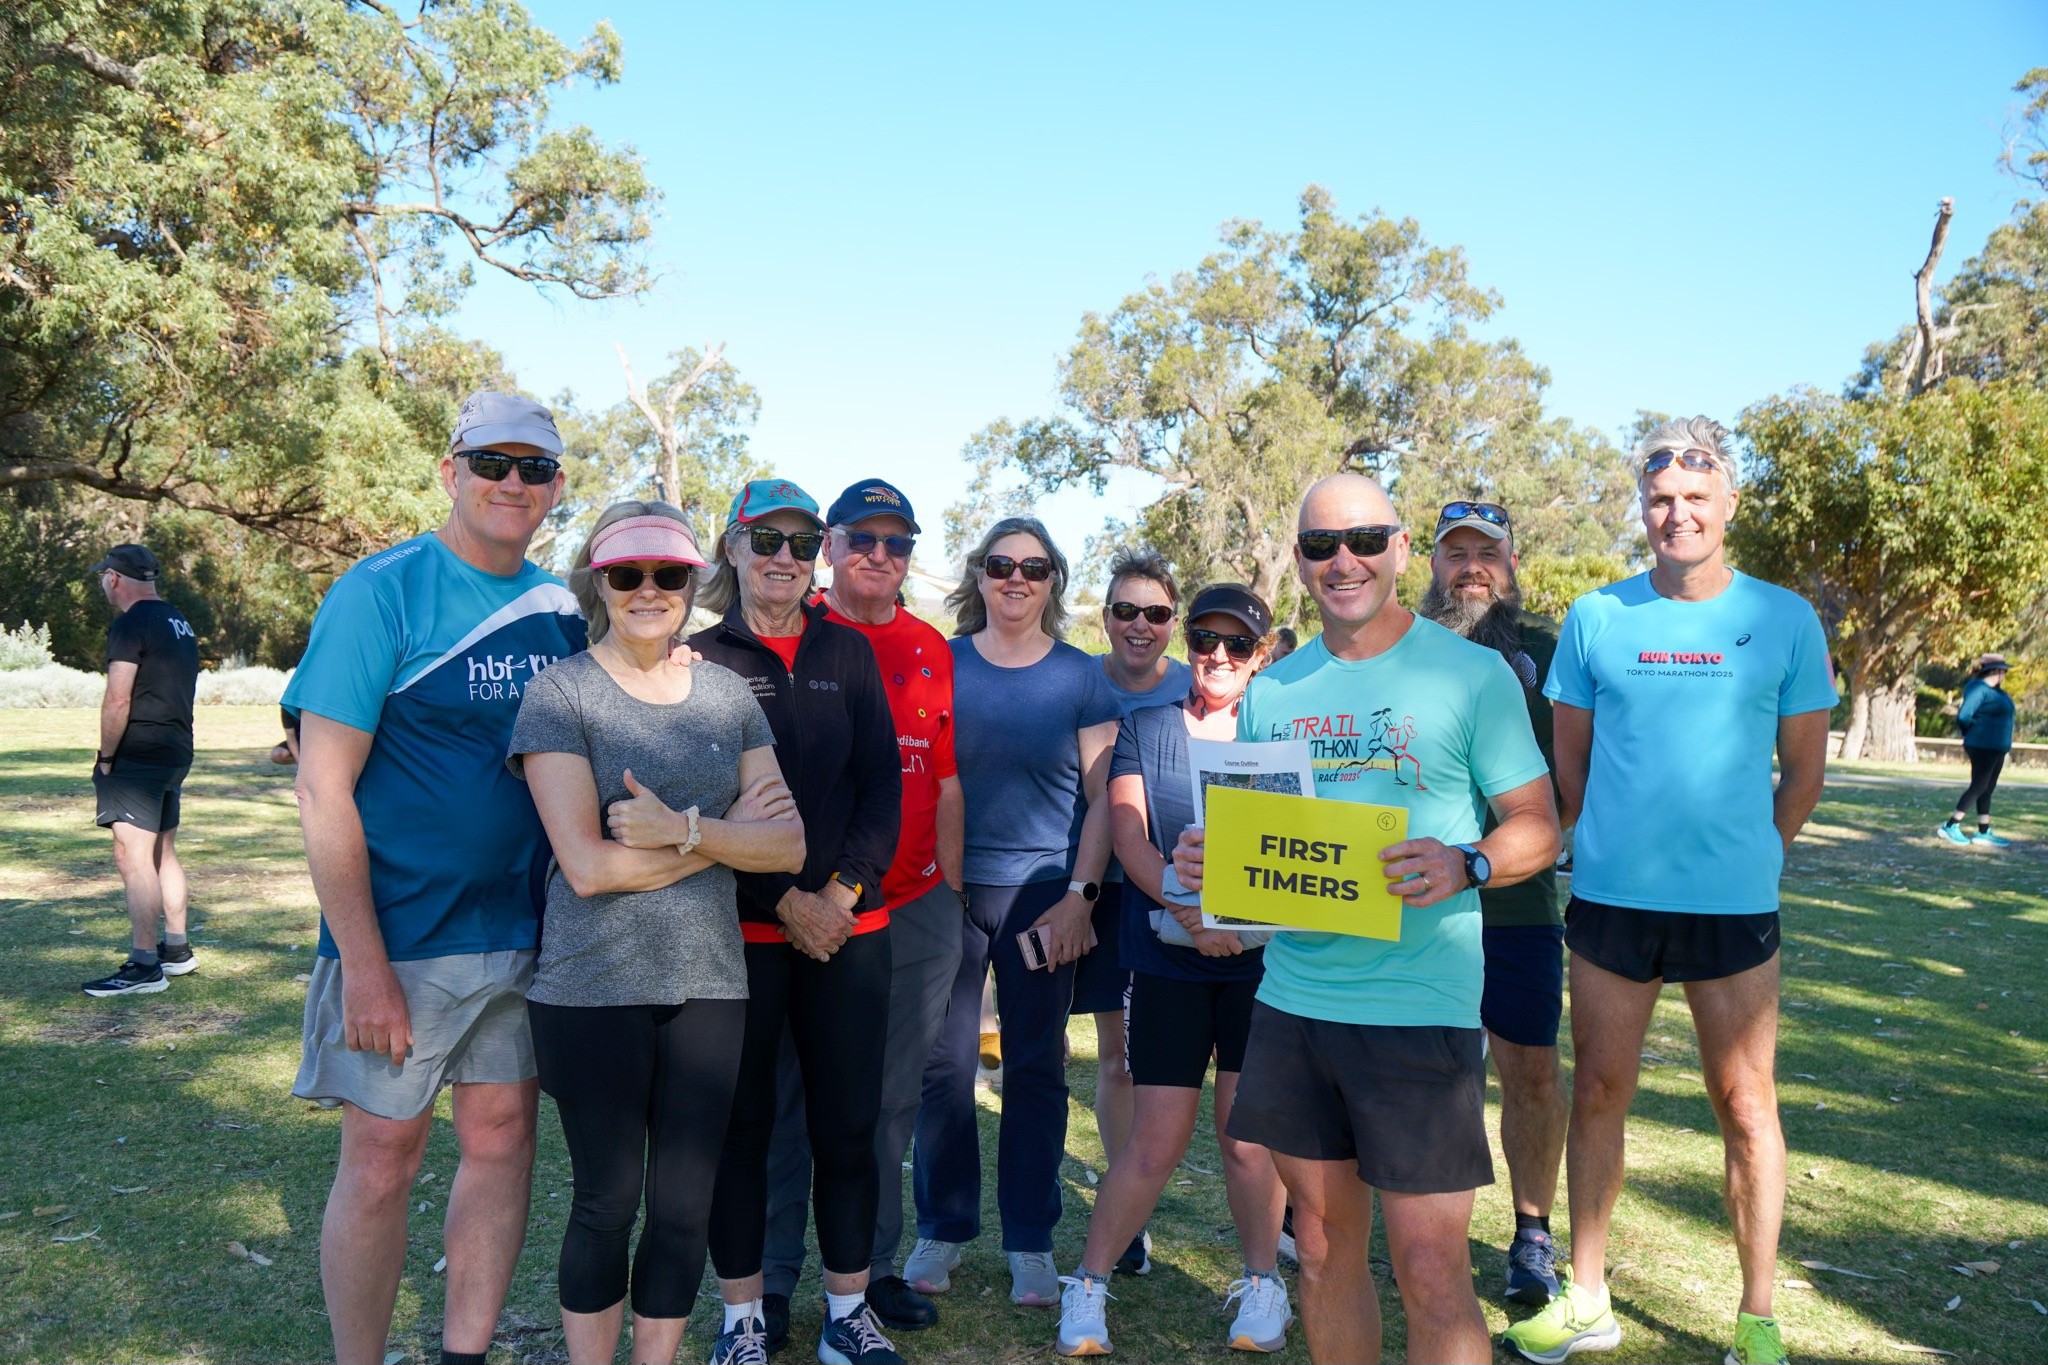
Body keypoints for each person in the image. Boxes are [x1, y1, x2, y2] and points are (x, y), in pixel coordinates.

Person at [1171, 474, 1561, 1365]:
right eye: (1321, 545)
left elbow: (1538, 825)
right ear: (1301, 560)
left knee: (1431, 1269)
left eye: (1364, 539)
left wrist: (1467, 862)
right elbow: (1262, 844)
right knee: (1319, 1246)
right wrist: (1208, 862)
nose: (1343, 560)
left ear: (1399, 548)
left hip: (1420, 1007)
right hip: (1297, 1003)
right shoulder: (1275, 687)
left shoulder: (1473, 674)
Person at [1503, 417, 1833, 1365]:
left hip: (1734, 908)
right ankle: (1588, 1296)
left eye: (1695, 496)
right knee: (1601, 1089)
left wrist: (1751, 857)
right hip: (1613, 901)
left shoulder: (1786, 619)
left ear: (1729, 502)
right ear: (1642, 509)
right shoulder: (1597, 617)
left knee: (1745, 1104)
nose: (1677, 513)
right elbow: (1570, 766)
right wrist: (1605, 844)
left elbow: (1804, 773)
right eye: (1659, 499)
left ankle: (1757, 1318)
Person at [285, 392, 588, 1365]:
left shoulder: (558, 610)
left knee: (501, 1141)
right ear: (451, 471)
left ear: (555, 488)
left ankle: (465, 1353)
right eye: (492, 462)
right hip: (403, 937)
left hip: (524, 933)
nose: (512, 482)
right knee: (382, 1159)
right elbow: (322, 787)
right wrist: (363, 966)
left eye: (533, 467)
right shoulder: (382, 590)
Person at [509, 501, 805, 1365]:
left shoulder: (725, 695)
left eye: (668, 573)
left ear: (692, 582)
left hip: (710, 984)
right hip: (590, 985)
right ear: (597, 581)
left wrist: (680, 829)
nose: (648, 589)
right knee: (607, 1203)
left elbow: (788, 845)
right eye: (626, 573)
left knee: (682, 1207)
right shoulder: (561, 692)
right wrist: (721, 838)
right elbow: (588, 867)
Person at [690, 478, 906, 1365]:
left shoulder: (846, 651)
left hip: (850, 931)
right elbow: (699, 806)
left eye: (803, 541)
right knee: (740, 1130)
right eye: (766, 538)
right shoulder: (698, 659)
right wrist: (785, 900)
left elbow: (883, 785)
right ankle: (742, 1320)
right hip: (740, 934)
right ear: (732, 547)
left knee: (848, 1128)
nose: (785, 557)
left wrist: (840, 897)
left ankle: (847, 1313)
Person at [1056, 583, 1292, 1358]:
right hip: (1167, 957)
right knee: (1155, 1141)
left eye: (1236, 643)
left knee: (1247, 1140)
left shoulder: (1280, 731)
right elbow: (1128, 834)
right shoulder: (1147, 727)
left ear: (1260, 656)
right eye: (1204, 639)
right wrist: (1194, 912)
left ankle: (1263, 1283)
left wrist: (1239, 925)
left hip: (1263, 966)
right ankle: (1089, 1284)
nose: (1217, 655)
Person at [758, 478, 965, 1343]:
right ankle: (770, 1280)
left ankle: (872, 1271)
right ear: (831, 547)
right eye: (863, 538)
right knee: (784, 1100)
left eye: (898, 542)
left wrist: (952, 894)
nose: (881, 554)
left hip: (907, 905)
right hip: (793, 906)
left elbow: (940, 776)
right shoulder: (794, 633)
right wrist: (807, 897)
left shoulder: (930, 646)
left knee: (887, 1101)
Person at [907, 516, 1122, 1309]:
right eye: (1001, 565)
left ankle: (1030, 1238)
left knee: (1034, 1066)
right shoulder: (942, 662)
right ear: (980, 574)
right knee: (944, 1066)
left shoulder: (1080, 677)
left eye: (1034, 567)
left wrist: (1080, 897)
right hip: (950, 893)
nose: (1016, 579)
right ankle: (943, 1226)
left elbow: (1104, 798)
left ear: (1053, 580)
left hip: (1043, 897)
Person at [1416, 500, 1570, 1305]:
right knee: (1411, 1067)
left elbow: (1579, 765)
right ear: (1431, 564)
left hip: (1518, 900)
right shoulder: (1402, 643)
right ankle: (1392, 1216)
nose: (1471, 567)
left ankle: (1533, 1233)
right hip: (1414, 898)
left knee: (1532, 1069)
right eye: (1456, 552)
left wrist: (1551, 837)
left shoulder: (1552, 648)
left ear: (1512, 564)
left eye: (1488, 552)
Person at [1083, 547, 1194, 1276]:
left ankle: (1135, 1206)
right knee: (1113, 1057)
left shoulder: (1196, 683)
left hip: (1179, 894)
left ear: (1173, 623)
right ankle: (1127, 1213)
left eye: (1155, 613)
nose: (1140, 625)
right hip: (1100, 890)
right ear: (1106, 617)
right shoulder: (1079, 680)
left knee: (1161, 1064)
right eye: (1126, 610)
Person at [82, 543, 202, 997]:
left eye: (103, 576)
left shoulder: (130, 623)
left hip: (139, 754)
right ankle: (177, 949)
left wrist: (106, 758)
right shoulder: (178, 620)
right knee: (162, 854)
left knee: (133, 858)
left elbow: (118, 699)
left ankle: (145, 964)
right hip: (175, 749)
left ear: (114, 578)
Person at [1938, 654, 2016, 847]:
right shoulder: (1979, 689)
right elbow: (1964, 716)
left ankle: (1983, 831)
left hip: (1997, 747)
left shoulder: (1997, 692)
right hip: (1983, 746)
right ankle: (1951, 825)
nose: (2004, 675)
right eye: (2003, 671)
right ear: (1995, 671)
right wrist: (1974, 732)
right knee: (1979, 786)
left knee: (1987, 788)